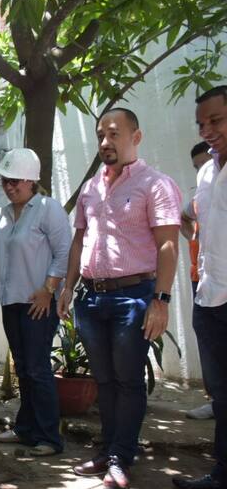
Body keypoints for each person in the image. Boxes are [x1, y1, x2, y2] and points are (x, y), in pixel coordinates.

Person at [57, 108, 181, 489]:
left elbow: (168, 244)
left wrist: (160, 300)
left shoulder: (155, 184)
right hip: (92, 300)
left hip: (134, 297)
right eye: (100, 136)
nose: (105, 142)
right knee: (105, 380)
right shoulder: (91, 189)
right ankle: (108, 449)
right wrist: (67, 285)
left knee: (128, 381)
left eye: (113, 134)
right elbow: (80, 240)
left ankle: (121, 458)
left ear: (135, 137)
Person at [0, 148, 71, 457]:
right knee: (24, 369)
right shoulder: (3, 214)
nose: (9, 187)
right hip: (10, 300)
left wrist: (49, 289)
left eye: (15, 181)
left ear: (32, 181)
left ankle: (49, 437)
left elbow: (65, 253)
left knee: (37, 368)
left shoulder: (48, 209)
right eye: (5, 181)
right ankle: (26, 428)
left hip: (37, 302)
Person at [174, 85, 227, 489]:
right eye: (201, 123)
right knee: (222, 398)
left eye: (216, 120)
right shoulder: (207, 173)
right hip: (209, 297)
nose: (207, 129)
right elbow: (203, 232)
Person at [181, 141, 215, 421]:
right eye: (197, 167)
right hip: (200, 279)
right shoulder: (199, 198)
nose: (202, 170)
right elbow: (182, 217)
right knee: (208, 341)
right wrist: (195, 237)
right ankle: (215, 400)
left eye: (206, 163)